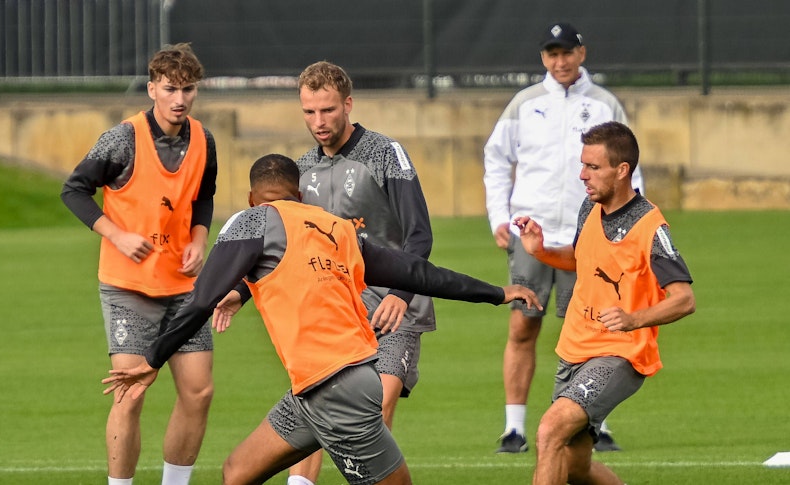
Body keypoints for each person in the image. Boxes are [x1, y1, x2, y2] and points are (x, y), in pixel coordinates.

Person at [101, 154, 542, 485]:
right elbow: (417, 272)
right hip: (322, 387)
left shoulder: (251, 220)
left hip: (337, 389)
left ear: (253, 199)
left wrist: (152, 360)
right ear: (300, 195)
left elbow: (199, 302)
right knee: (237, 472)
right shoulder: (336, 227)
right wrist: (497, 292)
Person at [483, 21, 645, 453]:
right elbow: (496, 158)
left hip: (591, 235)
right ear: (543, 58)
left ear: (581, 53)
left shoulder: (605, 102)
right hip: (531, 234)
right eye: (551, 54)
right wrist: (499, 214)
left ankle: (597, 420)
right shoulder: (525, 103)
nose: (560, 62)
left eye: (567, 53)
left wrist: (626, 226)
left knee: (598, 328)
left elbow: (630, 166)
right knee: (522, 325)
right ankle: (514, 427)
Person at [60, 43, 218, 485]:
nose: (179, 98)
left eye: (188, 89)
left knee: (199, 393)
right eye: (170, 88)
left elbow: (203, 196)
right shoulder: (123, 138)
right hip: (128, 288)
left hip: (184, 288)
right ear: (152, 89)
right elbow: (74, 190)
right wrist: (116, 234)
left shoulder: (205, 139)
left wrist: (200, 240)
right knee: (129, 395)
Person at [513, 121, 695, 484]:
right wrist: (542, 250)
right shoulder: (590, 206)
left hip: (619, 354)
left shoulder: (650, 227)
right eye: (583, 165)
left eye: (593, 167)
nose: (582, 175)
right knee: (574, 465)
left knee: (549, 431)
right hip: (575, 349)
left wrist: (632, 319)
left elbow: (684, 299)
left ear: (622, 170)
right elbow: (584, 260)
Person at [289, 61, 436, 484]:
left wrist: (399, 294)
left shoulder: (384, 154)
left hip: (394, 305)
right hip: (335, 309)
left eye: (328, 110)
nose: (318, 122)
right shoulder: (302, 169)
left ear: (348, 104)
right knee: (316, 401)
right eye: (309, 112)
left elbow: (419, 235)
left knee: (378, 401)